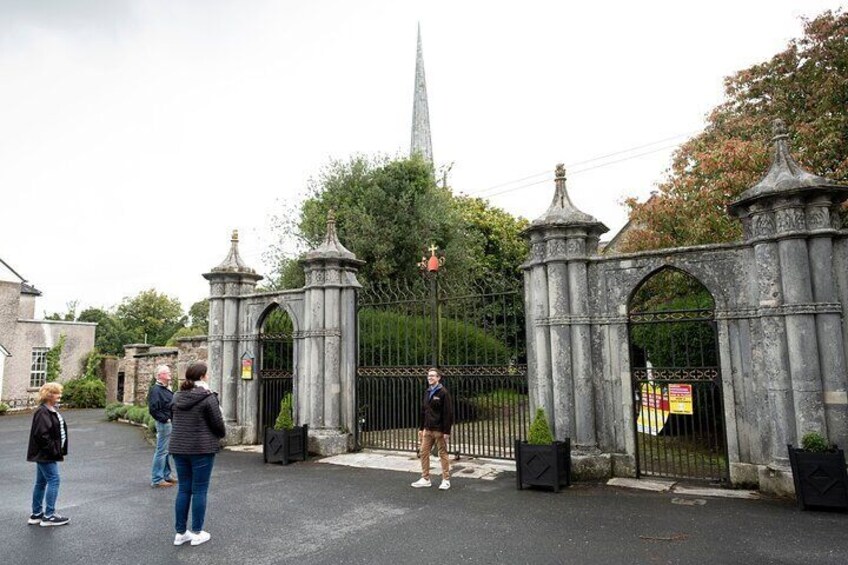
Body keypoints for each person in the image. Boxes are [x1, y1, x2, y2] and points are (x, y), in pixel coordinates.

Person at [169, 362, 226, 546]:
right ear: (202, 376)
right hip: (201, 448)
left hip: (179, 448)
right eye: (207, 374)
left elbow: (174, 419)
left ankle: (180, 533)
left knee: (184, 489)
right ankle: (198, 531)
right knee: (199, 490)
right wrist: (220, 435)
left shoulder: (177, 396)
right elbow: (218, 423)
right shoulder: (208, 397)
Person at [27, 382, 70, 526]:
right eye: (57, 393)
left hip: (47, 454)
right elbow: (42, 435)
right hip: (46, 455)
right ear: (49, 395)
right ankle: (49, 516)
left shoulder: (50, 409)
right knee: (54, 480)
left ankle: (36, 514)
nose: (60, 396)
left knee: (41, 482)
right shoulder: (42, 412)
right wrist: (53, 450)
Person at [411, 367, 454, 491]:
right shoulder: (428, 391)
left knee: (443, 454)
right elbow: (424, 411)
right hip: (427, 429)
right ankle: (425, 478)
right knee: (423, 453)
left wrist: (447, 431)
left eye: (433, 376)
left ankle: (446, 480)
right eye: (429, 375)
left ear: (438, 378)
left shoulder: (443, 393)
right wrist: (421, 427)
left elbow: (448, 413)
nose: (430, 377)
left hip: (439, 430)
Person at [149, 364, 177, 488]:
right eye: (167, 373)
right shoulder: (156, 390)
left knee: (165, 451)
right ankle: (157, 479)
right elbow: (153, 409)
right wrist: (166, 419)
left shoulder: (165, 388)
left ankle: (166, 475)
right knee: (161, 451)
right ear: (160, 376)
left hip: (167, 423)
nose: (170, 374)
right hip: (164, 424)